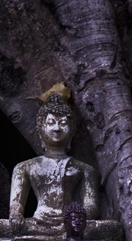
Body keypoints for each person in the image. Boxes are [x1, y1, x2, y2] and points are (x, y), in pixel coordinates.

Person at [8, 94, 99, 232]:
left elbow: (90, 206)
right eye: (51, 123)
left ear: (72, 131)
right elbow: (16, 204)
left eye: (63, 123)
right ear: (41, 129)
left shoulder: (85, 170)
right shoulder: (24, 168)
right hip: (37, 224)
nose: (57, 129)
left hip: (72, 226)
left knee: (110, 228)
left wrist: (78, 220)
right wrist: (16, 215)